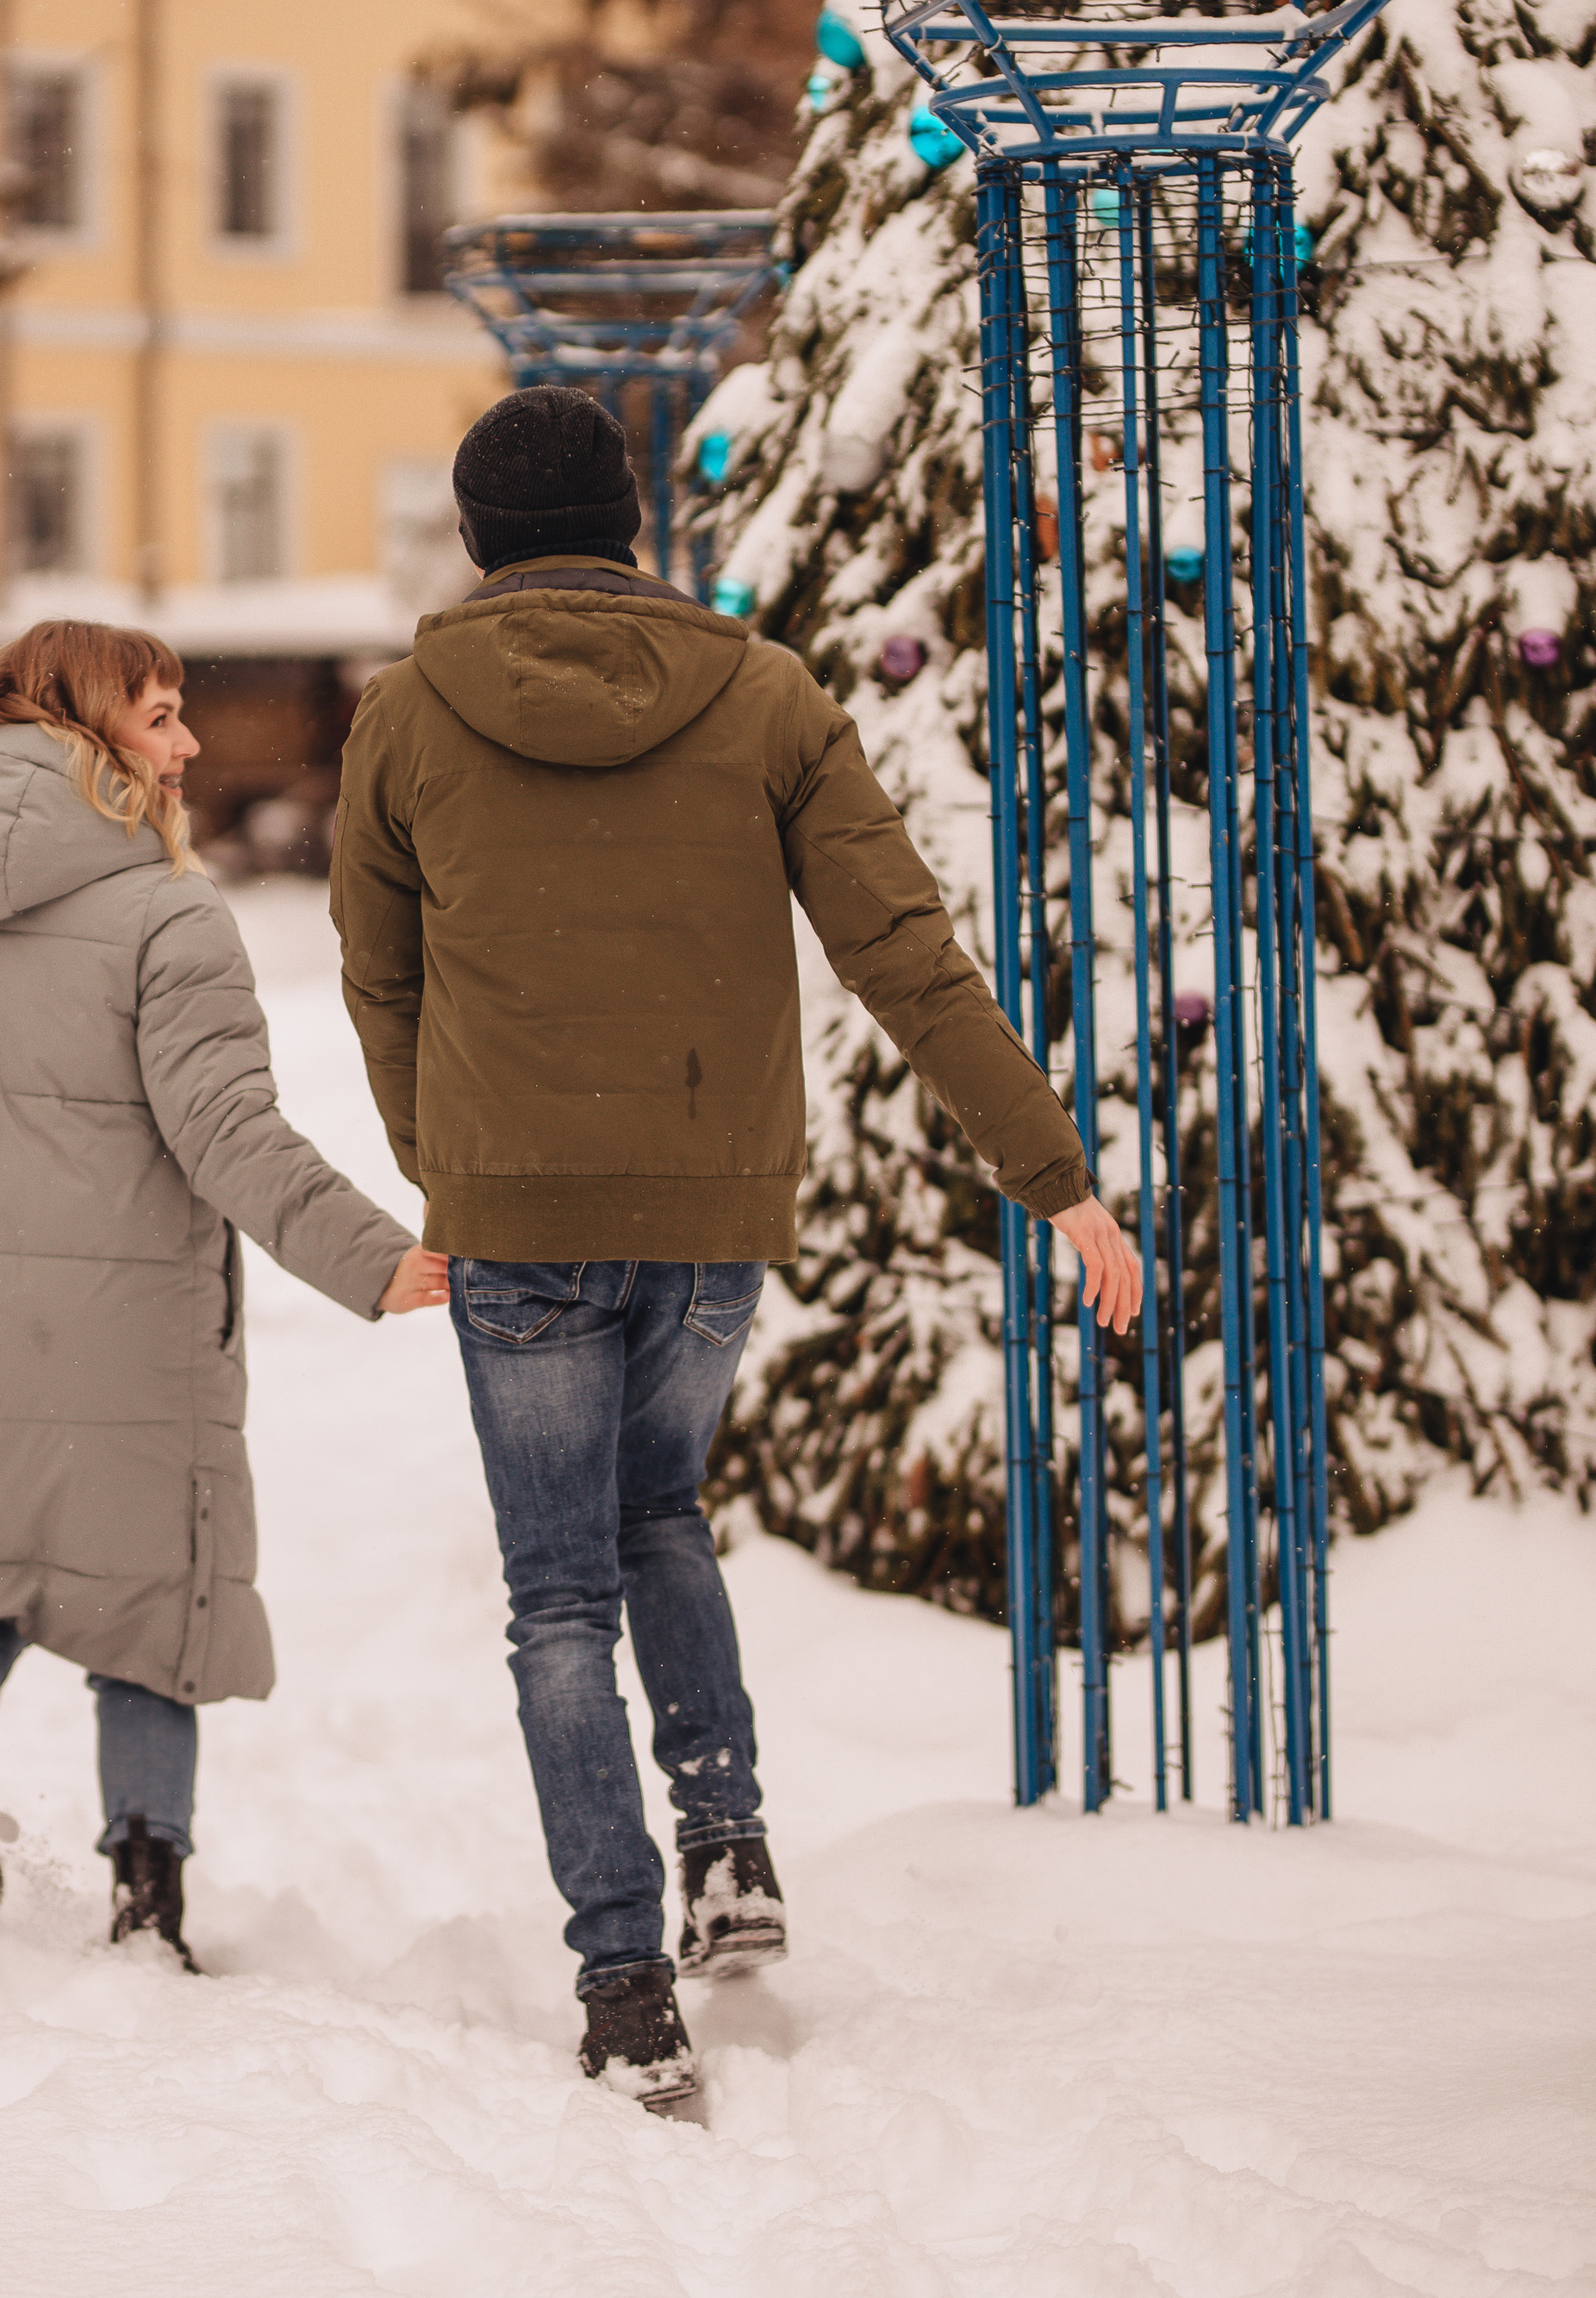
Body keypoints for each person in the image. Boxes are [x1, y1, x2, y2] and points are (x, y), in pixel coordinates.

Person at [331, 388, 1141, 2110]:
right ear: (632, 522)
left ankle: (624, 1987)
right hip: (709, 1206)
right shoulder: (764, 696)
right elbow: (900, 954)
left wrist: (452, 1168)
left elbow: (376, 977)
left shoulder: (402, 720)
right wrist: (1051, 1175)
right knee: (658, 1514)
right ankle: (726, 1846)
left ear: (474, 537)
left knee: (557, 1593)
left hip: (520, 1215)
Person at [0, 620, 446, 1960]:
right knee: (150, 1607)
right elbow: (229, 1131)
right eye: (160, 717)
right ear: (93, 738)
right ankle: (148, 1900)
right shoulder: (168, 911)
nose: (190, 743)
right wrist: (374, 1257)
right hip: (123, 1333)